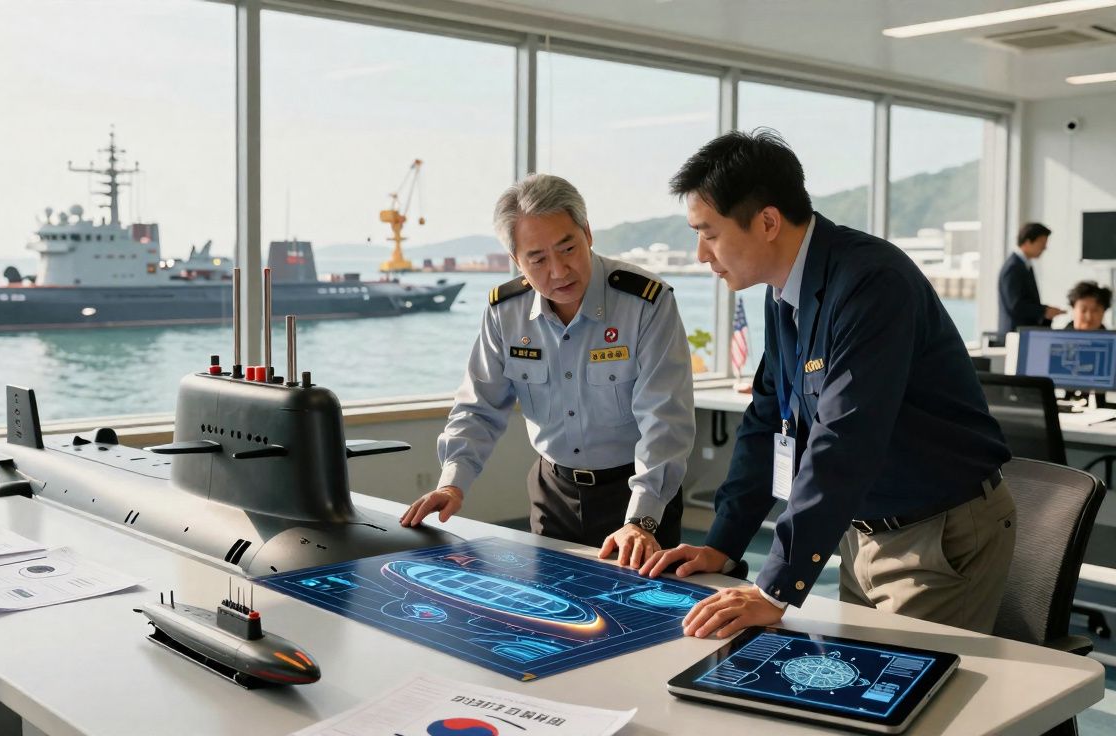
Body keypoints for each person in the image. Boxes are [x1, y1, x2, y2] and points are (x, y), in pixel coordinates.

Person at [640, 129, 1015, 638]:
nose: (701, 254)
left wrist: (775, 590)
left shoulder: (870, 283)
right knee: (856, 692)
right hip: (859, 535)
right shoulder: (784, 294)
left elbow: (843, 439)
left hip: (935, 538)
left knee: (908, 706)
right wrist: (725, 545)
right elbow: (767, 417)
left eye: (708, 232)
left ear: (768, 221)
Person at [399, 174, 696, 568]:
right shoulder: (506, 312)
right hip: (553, 493)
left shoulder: (644, 302)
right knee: (556, 618)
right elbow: (479, 408)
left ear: (588, 233)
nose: (558, 271)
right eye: (537, 259)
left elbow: (664, 419)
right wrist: (453, 481)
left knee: (642, 620)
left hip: (638, 492)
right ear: (516, 261)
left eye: (567, 247)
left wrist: (641, 519)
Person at [997, 222, 1063, 340]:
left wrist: (1046, 311)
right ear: (1028, 242)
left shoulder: (1024, 266)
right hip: (1014, 335)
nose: (1044, 248)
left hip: (1023, 333)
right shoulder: (1013, 268)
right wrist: (1044, 311)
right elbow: (1015, 305)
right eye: (1042, 243)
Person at [1063, 280, 1112, 407]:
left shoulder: (1111, 344)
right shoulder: (1056, 342)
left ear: (1104, 312)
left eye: (1095, 310)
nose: (1089, 317)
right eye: (1083, 310)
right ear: (1073, 309)